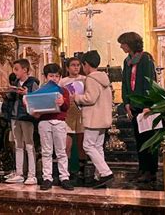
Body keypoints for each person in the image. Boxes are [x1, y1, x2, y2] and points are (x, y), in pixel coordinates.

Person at [117, 32, 158, 183]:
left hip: (145, 107)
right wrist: (126, 103)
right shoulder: (127, 61)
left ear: (130, 44)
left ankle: (151, 171)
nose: (121, 46)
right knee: (139, 140)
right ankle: (142, 169)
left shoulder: (145, 58)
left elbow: (149, 82)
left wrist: (148, 104)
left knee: (149, 140)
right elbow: (125, 83)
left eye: (123, 43)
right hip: (133, 106)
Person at [73, 50, 114, 189]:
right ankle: (99, 176)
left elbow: (90, 98)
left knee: (88, 146)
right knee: (97, 147)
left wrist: (76, 97)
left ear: (86, 64)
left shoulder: (91, 78)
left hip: (93, 118)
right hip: (102, 118)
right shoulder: (104, 78)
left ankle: (105, 172)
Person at [33, 63, 73, 191]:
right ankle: (47, 178)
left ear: (60, 77)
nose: (54, 79)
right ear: (45, 77)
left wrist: (63, 102)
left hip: (59, 121)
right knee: (46, 151)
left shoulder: (63, 90)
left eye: (57, 76)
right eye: (51, 76)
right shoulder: (40, 91)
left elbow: (67, 106)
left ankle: (64, 177)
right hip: (44, 122)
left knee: (61, 151)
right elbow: (34, 106)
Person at [4, 59, 39, 185]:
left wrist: (27, 93)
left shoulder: (32, 82)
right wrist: (8, 93)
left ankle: (32, 174)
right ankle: (19, 173)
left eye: (16, 69)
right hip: (15, 116)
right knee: (18, 145)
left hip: (26, 117)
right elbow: (12, 100)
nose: (15, 72)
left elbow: (37, 98)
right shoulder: (16, 82)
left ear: (25, 70)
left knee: (29, 145)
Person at [58, 57, 88, 177]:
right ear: (67, 67)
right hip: (68, 114)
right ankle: (67, 170)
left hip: (81, 113)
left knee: (82, 144)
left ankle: (81, 170)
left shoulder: (85, 79)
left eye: (78, 65)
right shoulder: (63, 81)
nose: (76, 67)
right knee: (66, 145)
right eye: (73, 65)